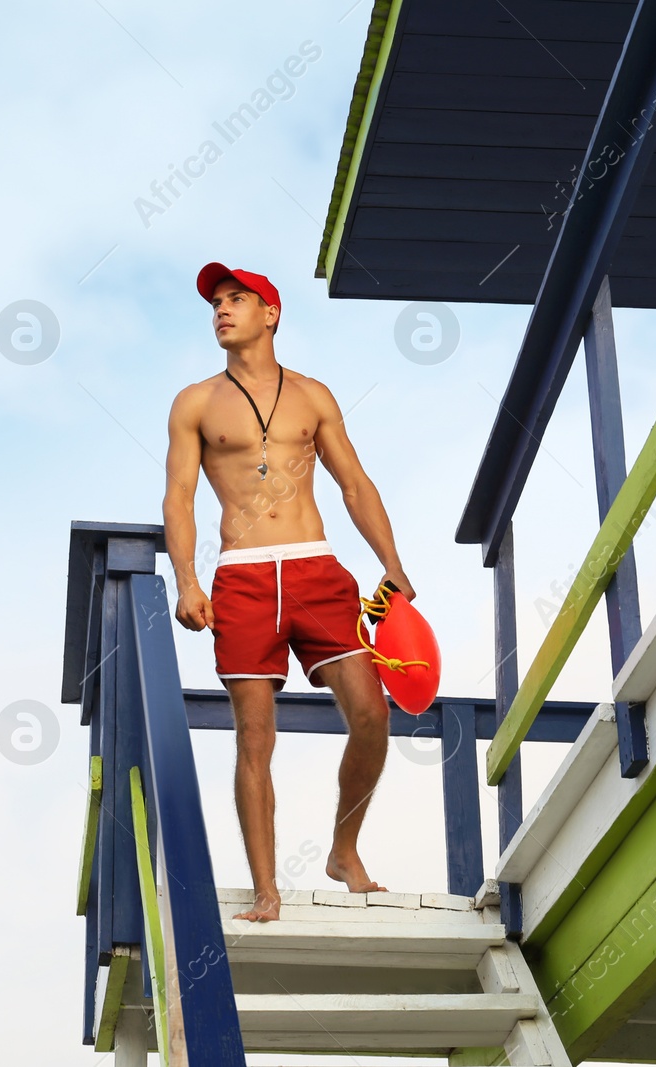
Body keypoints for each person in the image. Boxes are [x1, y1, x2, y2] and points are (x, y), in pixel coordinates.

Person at [162, 262, 415, 923]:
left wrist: (392, 563)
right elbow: (180, 497)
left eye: (236, 299)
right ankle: (266, 891)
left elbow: (354, 484)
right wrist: (187, 578)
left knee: (372, 711)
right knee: (255, 735)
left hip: (316, 569)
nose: (222, 309)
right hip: (243, 577)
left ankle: (343, 849)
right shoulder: (194, 402)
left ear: (269, 313)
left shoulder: (313, 395)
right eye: (216, 301)